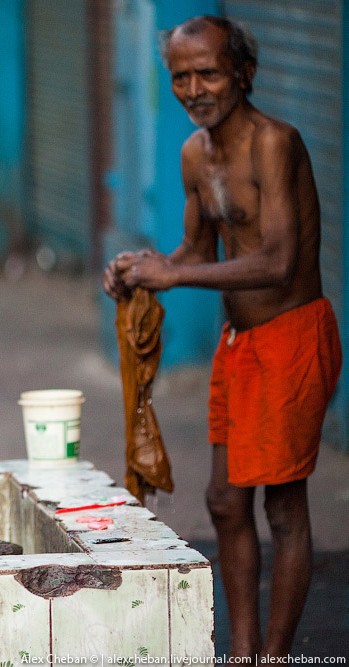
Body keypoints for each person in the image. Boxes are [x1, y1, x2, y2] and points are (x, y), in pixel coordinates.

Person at [102, 16, 341, 661]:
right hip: (240, 345)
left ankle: (274, 654)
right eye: (180, 76)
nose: (193, 88)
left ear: (244, 73)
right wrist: (141, 269)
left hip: (292, 337)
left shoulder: (275, 143)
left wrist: (174, 274)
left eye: (207, 72)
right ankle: (243, 650)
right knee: (224, 502)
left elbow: (280, 262)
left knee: (284, 509)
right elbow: (194, 250)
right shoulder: (192, 154)